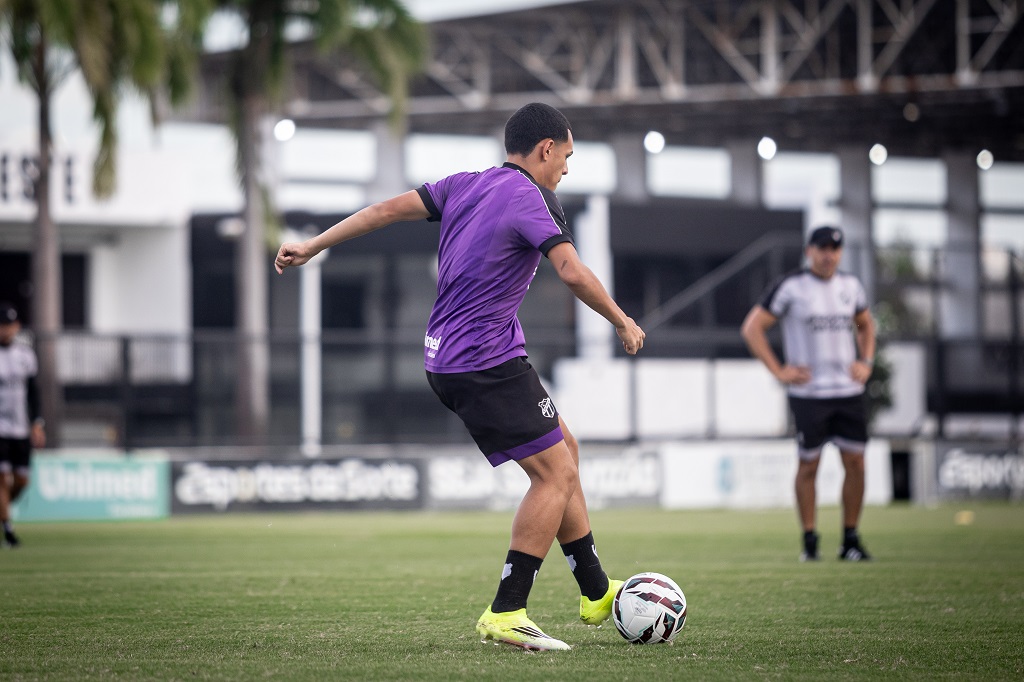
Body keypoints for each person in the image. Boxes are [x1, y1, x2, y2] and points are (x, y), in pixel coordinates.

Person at [275, 103, 645, 650]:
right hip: (484, 361)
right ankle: (507, 609)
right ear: (546, 149)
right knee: (554, 475)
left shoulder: (465, 185)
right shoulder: (535, 197)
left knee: (563, 446)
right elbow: (569, 268)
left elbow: (381, 211)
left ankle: (595, 590)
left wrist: (313, 245)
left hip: (451, 356)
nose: (566, 169)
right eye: (566, 157)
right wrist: (621, 319)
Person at [741, 226, 876, 562]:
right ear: (809, 251)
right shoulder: (791, 287)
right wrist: (779, 371)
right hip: (809, 394)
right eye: (823, 248)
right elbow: (752, 327)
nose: (829, 254)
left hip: (848, 391)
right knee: (808, 465)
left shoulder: (851, 286)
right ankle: (810, 542)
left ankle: (850, 540)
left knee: (856, 463)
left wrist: (867, 361)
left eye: (835, 248)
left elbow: (866, 324)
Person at [0, 302, 46, 548]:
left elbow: (34, 393)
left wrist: (37, 423)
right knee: (1, 478)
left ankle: (3, 512)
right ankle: (8, 530)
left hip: (20, 428)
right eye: (2, 326)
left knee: (21, 481)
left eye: (10, 325)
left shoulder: (25, 355)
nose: (6, 330)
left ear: (16, 327)